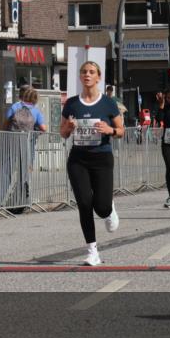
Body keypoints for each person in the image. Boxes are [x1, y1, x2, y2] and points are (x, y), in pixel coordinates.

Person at [60, 61, 125, 266]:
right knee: (84, 203)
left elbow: (121, 131)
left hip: (102, 158)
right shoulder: (71, 103)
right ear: (80, 77)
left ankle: (109, 209)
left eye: (91, 72)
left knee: (101, 206)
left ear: (98, 77)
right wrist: (69, 128)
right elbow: (61, 132)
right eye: (84, 72)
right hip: (78, 159)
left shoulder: (108, 103)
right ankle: (92, 251)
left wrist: (110, 131)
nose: (87, 75)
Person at [2, 86, 48, 214]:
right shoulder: (36, 111)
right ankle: (21, 199)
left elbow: (6, 123)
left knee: (7, 170)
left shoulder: (15, 107)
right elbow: (44, 128)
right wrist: (36, 132)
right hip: (28, 144)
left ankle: (0, 199)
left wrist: (3, 134)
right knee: (25, 172)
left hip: (11, 142)